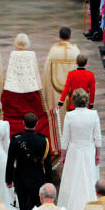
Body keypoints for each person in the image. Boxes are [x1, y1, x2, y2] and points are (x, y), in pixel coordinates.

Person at [57, 89, 101, 210]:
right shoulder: (93, 115)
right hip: (89, 150)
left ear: (73, 101)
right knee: (88, 178)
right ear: (87, 101)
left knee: (72, 181)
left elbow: (65, 139)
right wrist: (98, 154)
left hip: (74, 151)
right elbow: (97, 138)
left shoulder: (70, 116)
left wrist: (63, 155)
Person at [1, 33, 51, 151]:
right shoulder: (31, 54)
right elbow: (35, 71)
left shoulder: (13, 54)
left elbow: (10, 72)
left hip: (13, 89)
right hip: (30, 88)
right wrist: (38, 87)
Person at [5, 112, 53, 210]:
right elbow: (48, 164)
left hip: (21, 179)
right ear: (36, 123)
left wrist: (8, 180)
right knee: (38, 208)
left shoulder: (16, 140)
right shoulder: (43, 140)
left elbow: (10, 162)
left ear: (23, 123)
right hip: (38, 180)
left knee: (23, 209)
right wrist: (49, 182)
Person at [42, 26, 80, 155]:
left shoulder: (53, 52)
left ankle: (56, 147)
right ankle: (72, 145)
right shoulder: (75, 52)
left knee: (55, 117)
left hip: (55, 90)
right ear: (70, 36)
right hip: (71, 92)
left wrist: (46, 89)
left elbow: (47, 72)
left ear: (59, 36)